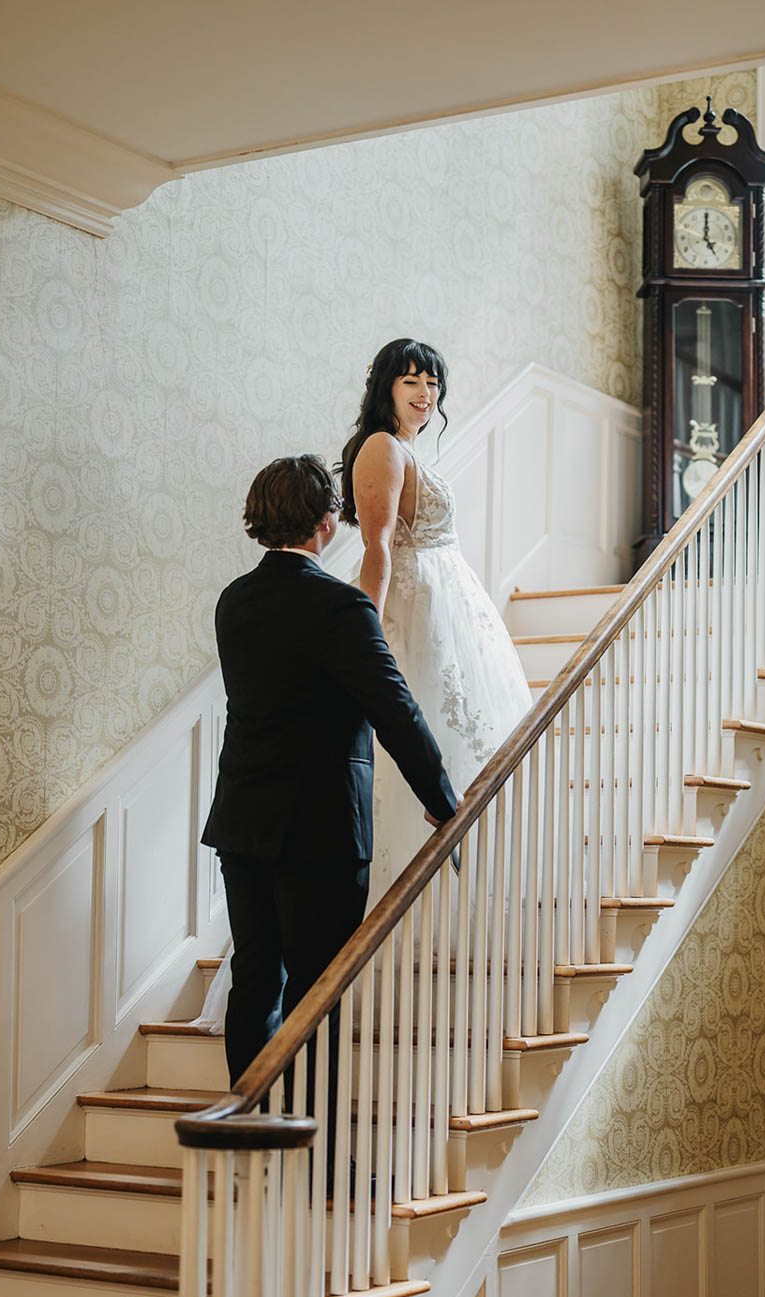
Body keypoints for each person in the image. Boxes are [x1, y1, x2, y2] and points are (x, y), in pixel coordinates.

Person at [199, 455, 458, 1114]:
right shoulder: (338, 605)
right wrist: (442, 800)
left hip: (244, 819)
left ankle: (248, 1133)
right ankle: (315, 1152)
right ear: (327, 522)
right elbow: (392, 707)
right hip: (320, 828)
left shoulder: (235, 601)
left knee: (254, 980)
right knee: (319, 991)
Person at [338, 339, 532, 894]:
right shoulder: (382, 448)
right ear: (386, 390)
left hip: (448, 614)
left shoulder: (408, 449)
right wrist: (364, 633)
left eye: (432, 383)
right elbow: (376, 550)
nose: (426, 394)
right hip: (416, 612)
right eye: (411, 382)